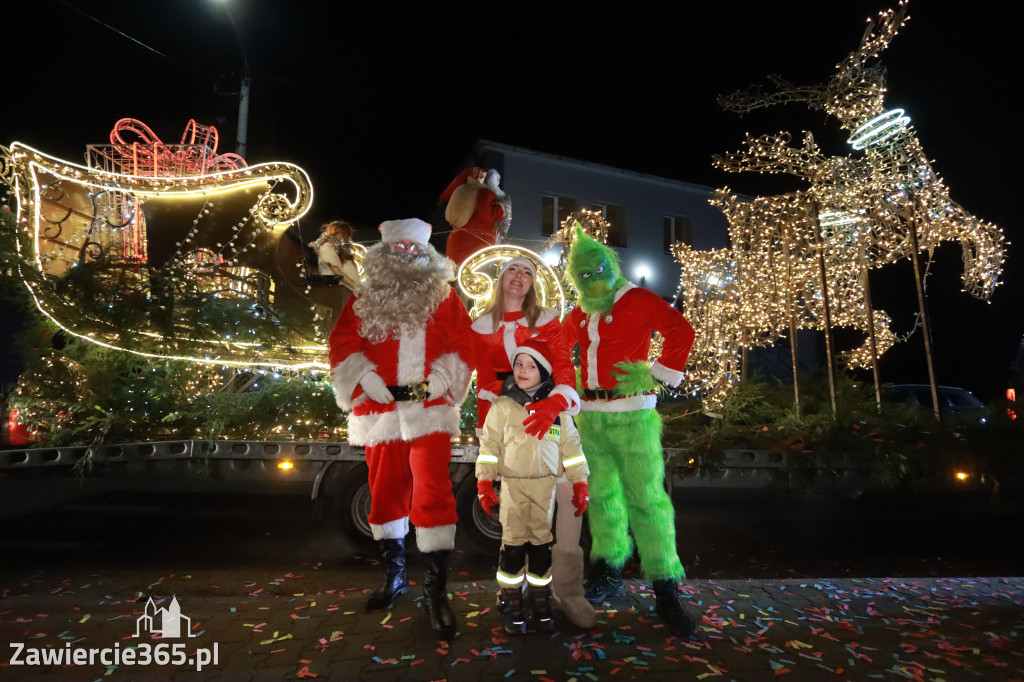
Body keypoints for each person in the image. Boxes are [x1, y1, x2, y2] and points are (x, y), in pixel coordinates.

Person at [328, 218, 474, 640]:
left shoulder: (444, 298)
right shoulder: (362, 298)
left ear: (427, 255)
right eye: (400, 248)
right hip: (379, 410)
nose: (407, 254)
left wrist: (448, 376)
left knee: (433, 493)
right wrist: (363, 375)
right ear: (385, 253)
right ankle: (394, 577)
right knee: (386, 490)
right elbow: (342, 342)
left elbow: (464, 342)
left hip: (428, 409)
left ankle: (436, 590)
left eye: (415, 248)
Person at [562, 227, 700, 639]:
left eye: (596, 269)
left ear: (610, 263)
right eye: (582, 275)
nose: (591, 278)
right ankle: (608, 570)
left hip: (634, 416)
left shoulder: (636, 300)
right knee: (601, 498)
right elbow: (555, 347)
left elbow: (681, 330)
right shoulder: (580, 311)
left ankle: (665, 586)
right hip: (590, 417)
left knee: (647, 500)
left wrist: (657, 372)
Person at [471, 256, 595, 628]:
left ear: (533, 282)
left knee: (564, 507)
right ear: (501, 276)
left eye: (528, 271)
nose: (519, 276)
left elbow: (561, 363)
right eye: (513, 269)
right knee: (515, 524)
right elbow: (481, 379)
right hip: (505, 422)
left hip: (551, 419)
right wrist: (498, 420)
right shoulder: (480, 325)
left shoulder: (545, 319)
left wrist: (555, 403)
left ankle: (567, 590)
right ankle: (512, 594)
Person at [311, 220, 361, 290]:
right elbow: (337, 272)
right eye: (342, 234)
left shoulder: (342, 252)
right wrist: (358, 288)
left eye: (346, 235)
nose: (345, 238)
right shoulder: (327, 248)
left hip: (348, 291)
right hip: (338, 292)